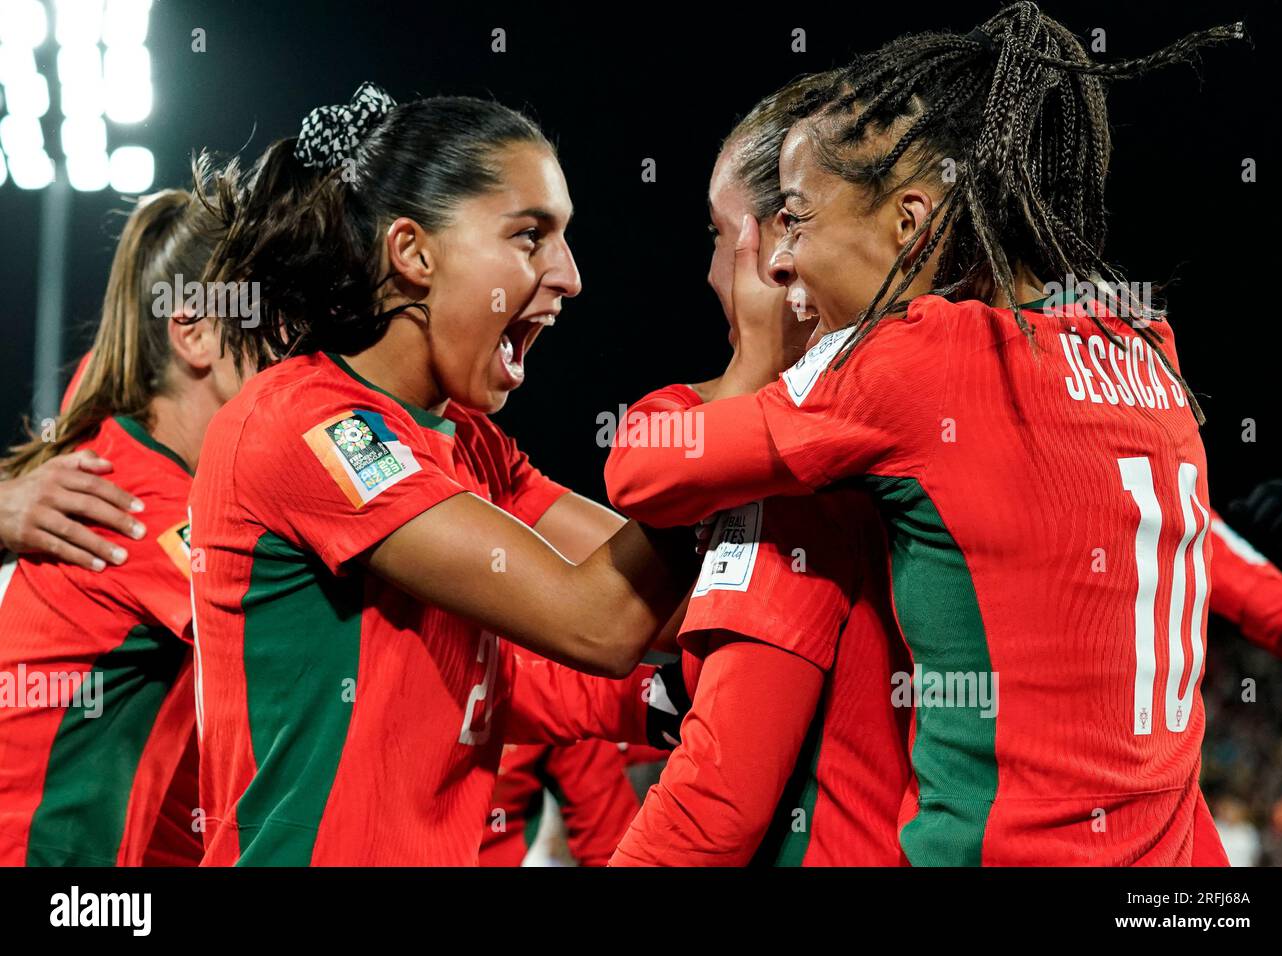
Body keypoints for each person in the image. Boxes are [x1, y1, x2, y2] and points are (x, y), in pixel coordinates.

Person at [605, 6, 1245, 865]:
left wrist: (755, 362)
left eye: (796, 217)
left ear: (908, 224)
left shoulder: (921, 362)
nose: (782, 257)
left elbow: (644, 471)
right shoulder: (1148, 348)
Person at [189, 84, 693, 865]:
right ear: (414, 253)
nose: (569, 276)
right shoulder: (310, 423)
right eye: (531, 236)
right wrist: (739, 415)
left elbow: (664, 607)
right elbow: (597, 621)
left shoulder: (470, 442)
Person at [612, 77, 912, 867]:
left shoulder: (797, 471)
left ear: (776, 249)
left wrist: (752, 364)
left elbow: (715, 806)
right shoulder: (950, 387)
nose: (714, 270)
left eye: (717, 236)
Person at [0, 189, 233, 865]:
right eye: (281, 319)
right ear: (194, 331)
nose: (303, 354)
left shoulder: (121, 436)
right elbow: (317, 649)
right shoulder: (137, 501)